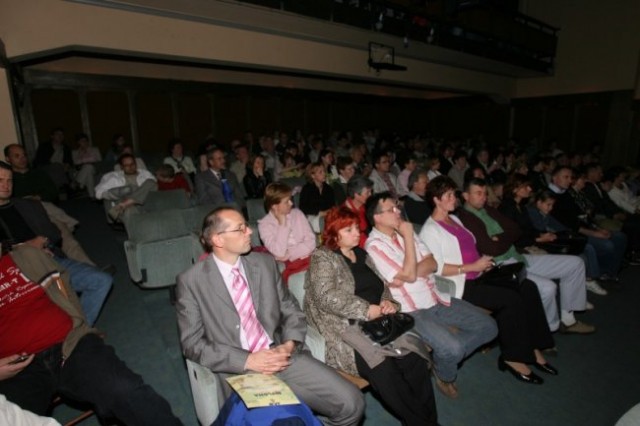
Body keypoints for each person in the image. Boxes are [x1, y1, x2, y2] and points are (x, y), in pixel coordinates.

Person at [176, 207, 365, 426]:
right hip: (239, 372)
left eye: (246, 226)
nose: (249, 232)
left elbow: (291, 310)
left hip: (282, 357)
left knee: (353, 403)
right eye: (240, 229)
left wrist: (288, 345)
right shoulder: (191, 281)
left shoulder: (264, 264)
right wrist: (248, 359)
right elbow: (191, 343)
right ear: (218, 239)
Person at [0, 245, 182, 425]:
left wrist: (78, 325)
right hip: (16, 371)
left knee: (124, 389)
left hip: (69, 345)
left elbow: (64, 287)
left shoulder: (25, 257)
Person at [305, 206, 438, 425]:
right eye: (348, 230)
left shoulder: (362, 254)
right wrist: (366, 309)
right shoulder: (323, 257)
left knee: (414, 358)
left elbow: (383, 286)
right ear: (334, 233)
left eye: (357, 227)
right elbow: (325, 297)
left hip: (379, 322)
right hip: (345, 327)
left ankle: (425, 420)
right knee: (384, 369)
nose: (357, 233)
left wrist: (388, 303)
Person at [419, 176, 557, 385]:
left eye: (454, 194)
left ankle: (533, 346)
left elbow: (472, 246)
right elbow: (435, 268)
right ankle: (513, 357)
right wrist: (472, 267)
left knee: (527, 286)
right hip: (461, 285)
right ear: (436, 200)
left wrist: (482, 262)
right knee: (510, 299)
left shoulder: (454, 219)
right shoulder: (430, 229)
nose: (454, 198)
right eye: (449, 195)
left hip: (480, 274)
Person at [366, 192, 498, 397]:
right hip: (411, 311)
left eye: (397, 206)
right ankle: (445, 374)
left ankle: (441, 357)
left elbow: (432, 264)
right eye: (391, 209)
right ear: (377, 217)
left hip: (437, 297)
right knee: (452, 349)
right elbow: (412, 272)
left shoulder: (405, 230)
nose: (398, 211)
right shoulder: (375, 245)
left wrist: (409, 272)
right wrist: (408, 238)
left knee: (489, 327)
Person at [457, 177, 594, 334]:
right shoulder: (465, 218)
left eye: (485, 193)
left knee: (575, 263)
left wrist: (500, 238)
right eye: (478, 193)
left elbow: (515, 229)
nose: (483, 197)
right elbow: (491, 248)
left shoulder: (487, 209)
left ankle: (568, 318)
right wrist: (505, 237)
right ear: (466, 196)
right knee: (548, 287)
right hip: (501, 265)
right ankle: (549, 328)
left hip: (516, 255)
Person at [0, 162, 112, 326]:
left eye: (9, 180)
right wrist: (23, 247)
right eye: (0, 180)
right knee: (51, 302)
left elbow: (53, 233)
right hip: (15, 274)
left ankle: (79, 331)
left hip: (49, 260)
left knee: (101, 280)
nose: (5, 185)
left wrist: (44, 241)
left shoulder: (27, 206)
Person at [548, 166, 627, 281]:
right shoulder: (549, 196)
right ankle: (599, 271)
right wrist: (594, 233)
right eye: (566, 177)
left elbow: (583, 216)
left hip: (585, 227)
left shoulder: (565, 193)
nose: (569, 180)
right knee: (606, 245)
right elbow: (570, 224)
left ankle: (609, 272)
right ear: (554, 178)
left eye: (571, 177)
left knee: (620, 237)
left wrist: (597, 228)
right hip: (571, 232)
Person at [527, 190, 606, 295]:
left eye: (552, 205)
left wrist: (567, 233)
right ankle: (583, 284)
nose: (550, 208)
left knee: (586, 248)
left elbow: (559, 227)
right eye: (548, 205)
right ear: (538, 203)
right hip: (541, 244)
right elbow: (539, 229)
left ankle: (589, 279)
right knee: (581, 257)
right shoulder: (532, 212)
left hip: (552, 241)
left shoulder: (543, 212)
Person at [258, 182, 316, 283]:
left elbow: (312, 242)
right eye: (286, 201)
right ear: (275, 206)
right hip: (293, 267)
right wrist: (282, 224)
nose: (291, 203)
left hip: (311, 258)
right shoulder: (264, 225)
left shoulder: (297, 213)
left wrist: (290, 253)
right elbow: (279, 252)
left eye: (290, 199)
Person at [95, 153, 157, 224]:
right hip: (125, 206)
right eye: (126, 165)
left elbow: (154, 187)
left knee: (150, 182)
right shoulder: (114, 177)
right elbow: (98, 193)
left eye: (132, 164)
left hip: (143, 203)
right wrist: (118, 192)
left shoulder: (145, 174)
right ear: (121, 167)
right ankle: (126, 204)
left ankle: (124, 204)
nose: (130, 167)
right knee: (129, 203)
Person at [299, 162, 336, 233]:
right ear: (313, 175)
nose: (324, 174)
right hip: (312, 216)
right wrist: (319, 212)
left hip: (327, 215)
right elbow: (303, 207)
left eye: (324, 171)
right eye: (320, 172)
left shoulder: (328, 189)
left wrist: (327, 212)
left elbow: (332, 205)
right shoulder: (307, 189)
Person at [343, 176, 373, 248]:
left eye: (371, 191)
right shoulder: (345, 214)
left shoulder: (366, 206)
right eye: (367, 193)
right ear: (356, 195)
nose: (370, 195)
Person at [71, 133, 101, 199]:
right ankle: (92, 196)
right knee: (88, 172)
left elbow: (99, 161)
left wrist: (85, 161)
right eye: (82, 141)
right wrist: (82, 154)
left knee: (89, 167)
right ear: (78, 142)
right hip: (80, 171)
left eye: (85, 140)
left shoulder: (95, 149)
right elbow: (75, 163)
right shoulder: (75, 152)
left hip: (94, 169)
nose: (84, 142)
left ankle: (77, 183)